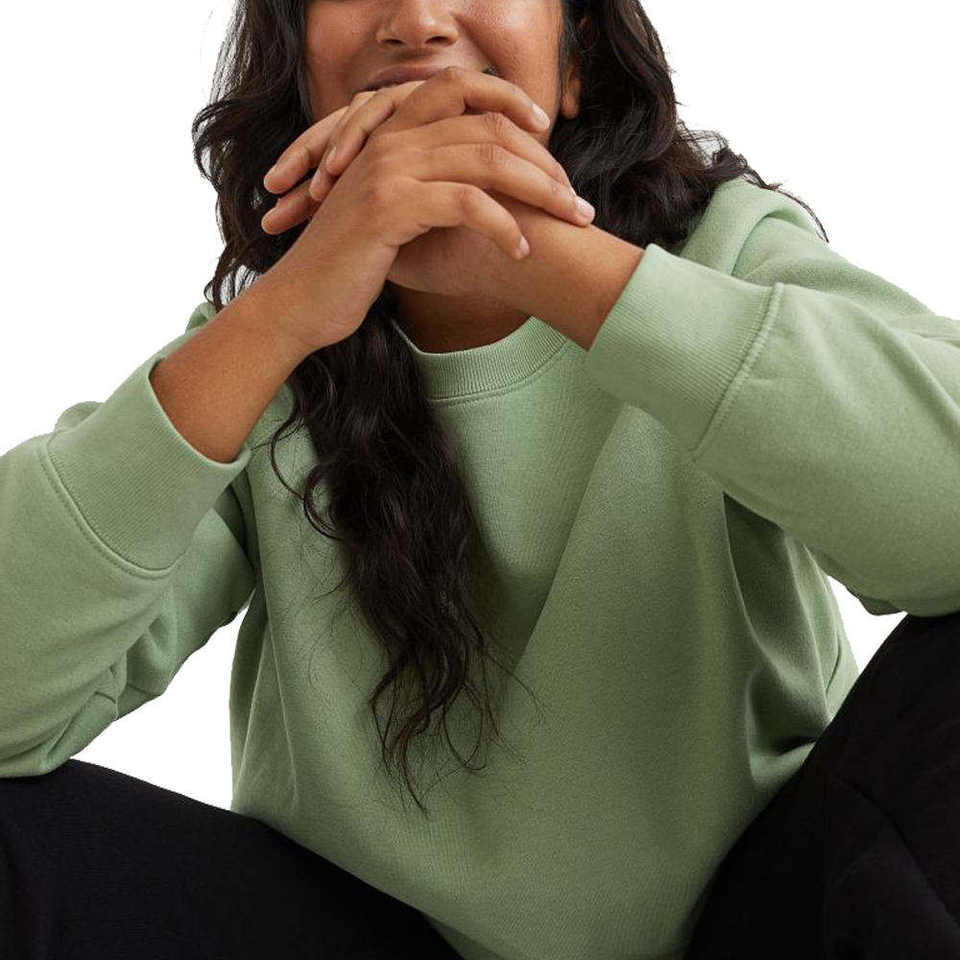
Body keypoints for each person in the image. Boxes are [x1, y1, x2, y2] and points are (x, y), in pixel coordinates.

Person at [2, 0, 959, 958]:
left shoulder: (725, 255)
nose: (418, 21)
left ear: (574, 60)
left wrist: (537, 258)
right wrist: (285, 311)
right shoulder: (261, 356)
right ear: (300, 69)